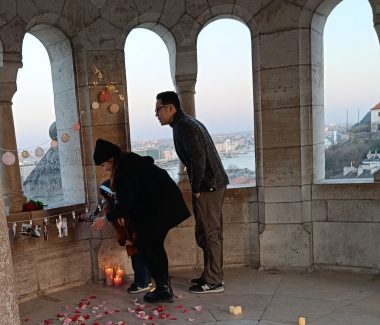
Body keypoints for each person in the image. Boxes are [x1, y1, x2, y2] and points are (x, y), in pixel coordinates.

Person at [91, 138, 191, 303]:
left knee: (146, 244)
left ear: (110, 159)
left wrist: (106, 218)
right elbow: (132, 199)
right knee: (152, 245)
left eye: (103, 165)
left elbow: (127, 202)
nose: (105, 169)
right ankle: (163, 287)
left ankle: (163, 288)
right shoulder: (128, 163)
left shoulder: (125, 169)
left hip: (163, 208)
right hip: (163, 207)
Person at [155, 91, 229, 294]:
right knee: (206, 232)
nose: (156, 114)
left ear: (170, 108)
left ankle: (214, 280)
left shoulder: (184, 125)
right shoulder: (185, 123)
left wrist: (196, 188)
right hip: (212, 184)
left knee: (210, 232)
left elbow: (198, 158)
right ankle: (210, 275)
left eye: (158, 109)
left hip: (209, 186)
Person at [99, 179, 151, 294]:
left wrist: (133, 240)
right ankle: (147, 280)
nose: (104, 200)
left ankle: (142, 283)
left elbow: (137, 224)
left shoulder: (125, 207)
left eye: (105, 197)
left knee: (138, 259)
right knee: (143, 257)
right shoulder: (121, 204)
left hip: (136, 236)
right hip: (135, 237)